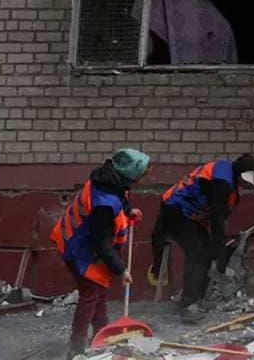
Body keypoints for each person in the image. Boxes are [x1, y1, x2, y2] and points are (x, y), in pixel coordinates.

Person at [51, 148, 149, 356]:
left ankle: (101, 333)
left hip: (82, 241)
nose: (141, 179)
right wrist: (121, 270)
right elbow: (102, 244)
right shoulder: (104, 204)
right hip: (79, 247)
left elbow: (121, 194)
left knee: (98, 291)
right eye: (140, 175)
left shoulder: (107, 178)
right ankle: (76, 348)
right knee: (91, 293)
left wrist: (128, 209)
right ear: (129, 174)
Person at [148, 154, 254, 311]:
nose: (243, 184)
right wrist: (221, 257)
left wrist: (217, 251)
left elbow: (220, 217)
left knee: (207, 251)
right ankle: (188, 304)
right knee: (197, 252)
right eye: (243, 180)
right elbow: (217, 219)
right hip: (174, 211)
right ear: (237, 172)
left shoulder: (230, 186)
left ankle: (197, 298)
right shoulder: (222, 180)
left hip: (190, 216)